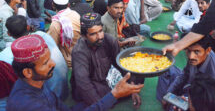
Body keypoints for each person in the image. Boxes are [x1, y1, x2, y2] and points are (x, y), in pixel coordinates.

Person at [7, 34, 143, 111]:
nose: (53, 64)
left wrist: (111, 97)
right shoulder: (27, 104)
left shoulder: (36, 84)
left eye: (50, 59)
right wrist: (114, 95)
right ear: (28, 72)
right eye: (45, 63)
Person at [71, 13, 143, 107]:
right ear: (84, 36)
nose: (100, 36)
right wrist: (101, 106)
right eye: (93, 34)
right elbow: (83, 83)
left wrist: (132, 89)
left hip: (107, 78)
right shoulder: (79, 52)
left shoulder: (110, 40)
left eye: (100, 31)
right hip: (93, 83)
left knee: (139, 76)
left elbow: (121, 66)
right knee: (98, 95)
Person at [1, 15, 69, 101]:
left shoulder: (6, 55)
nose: (53, 64)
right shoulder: (43, 35)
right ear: (28, 27)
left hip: (49, 97)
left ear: (9, 34)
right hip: (63, 90)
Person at [48, 0, 80, 68]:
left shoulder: (55, 24)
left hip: (68, 61)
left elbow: (53, 46)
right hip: (80, 55)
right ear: (68, 5)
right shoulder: (75, 14)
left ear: (53, 5)